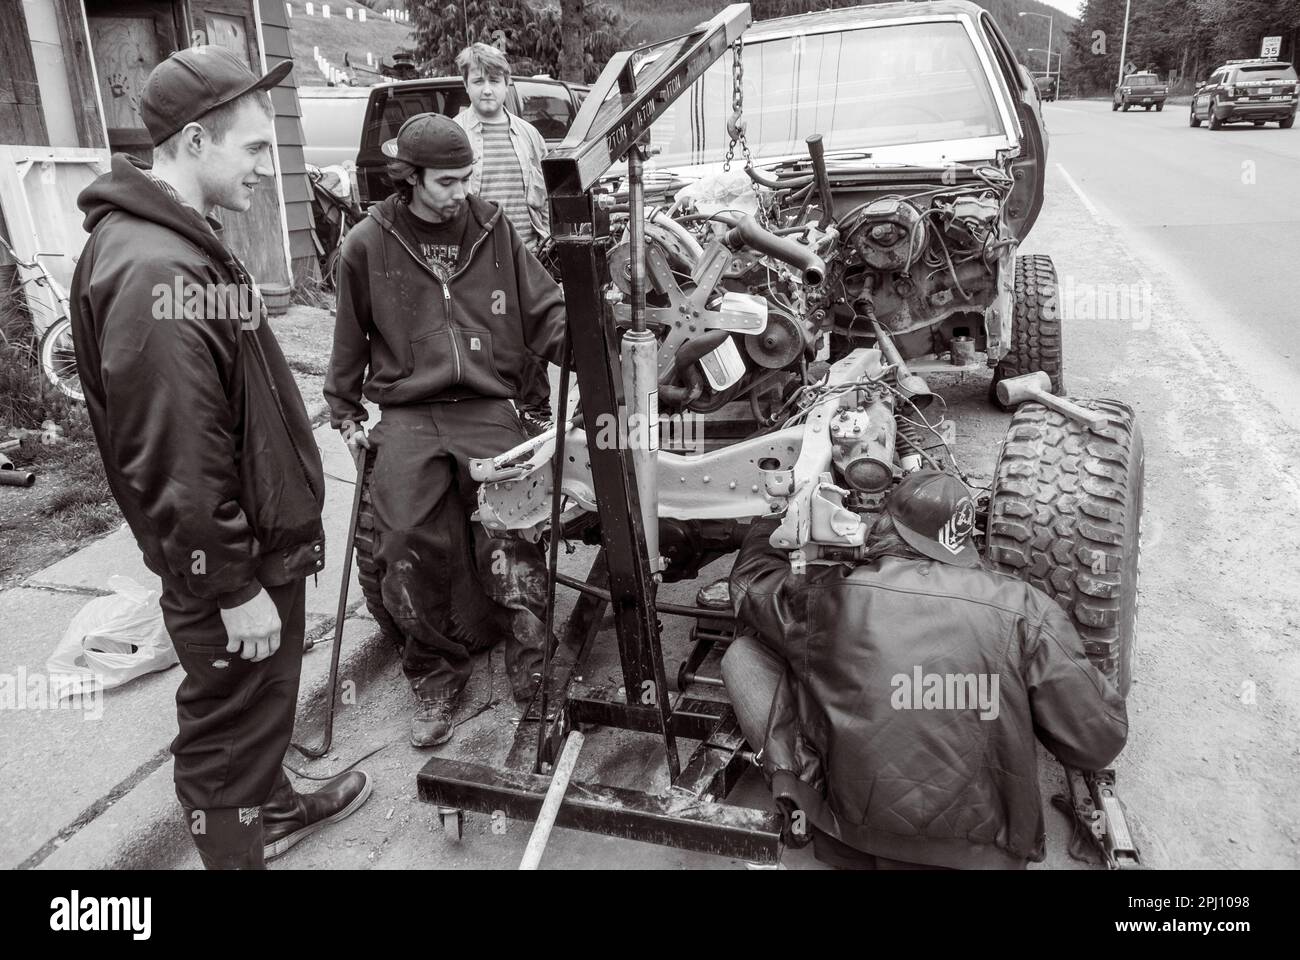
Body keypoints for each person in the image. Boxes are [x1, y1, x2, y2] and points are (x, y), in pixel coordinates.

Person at [70, 46, 371, 870]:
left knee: (258, 706)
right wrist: (231, 585)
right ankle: (239, 846)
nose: (270, 172)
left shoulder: (177, 239)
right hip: (227, 563)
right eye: (255, 150)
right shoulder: (154, 265)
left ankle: (270, 804)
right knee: (226, 729)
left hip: (247, 542)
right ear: (195, 143)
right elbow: (175, 452)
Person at [723, 470, 1129, 869]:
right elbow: (1097, 742)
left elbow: (747, 585)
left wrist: (770, 519)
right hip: (985, 855)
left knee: (744, 655)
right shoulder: (1026, 609)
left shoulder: (830, 593)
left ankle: (800, 805)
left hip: (849, 840)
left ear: (886, 525)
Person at [325, 113, 568, 748]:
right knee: (402, 539)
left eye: (466, 178)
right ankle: (434, 674)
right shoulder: (366, 244)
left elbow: (545, 313)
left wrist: (598, 352)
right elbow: (348, 336)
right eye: (445, 182)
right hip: (409, 412)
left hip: (488, 405)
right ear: (408, 179)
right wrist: (344, 408)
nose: (460, 192)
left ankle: (536, 680)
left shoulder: (494, 228)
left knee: (512, 532)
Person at [453, 42, 553, 433]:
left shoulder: (529, 136)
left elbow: (547, 193)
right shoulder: (455, 134)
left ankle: (535, 413)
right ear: (466, 85)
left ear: (508, 83)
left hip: (528, 253)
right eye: (478, 81)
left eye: (494, 80)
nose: (487, 89)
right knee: (484, 335)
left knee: (531, 335)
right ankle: (489, 416)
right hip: (476, 257)